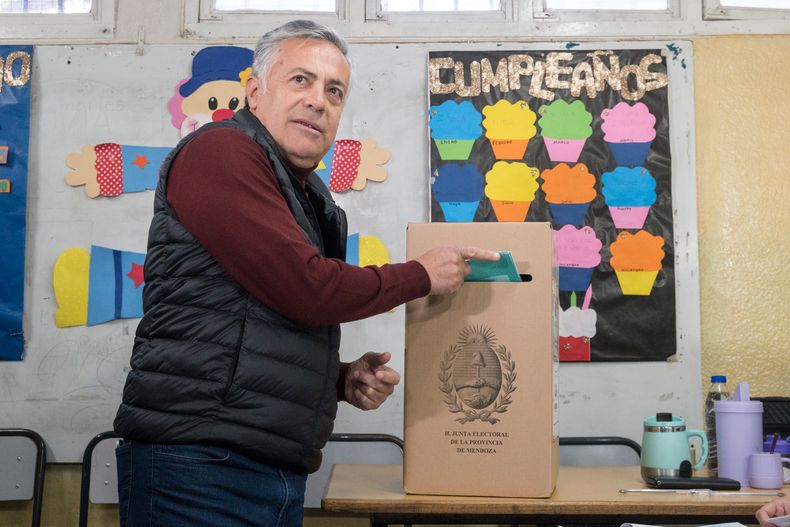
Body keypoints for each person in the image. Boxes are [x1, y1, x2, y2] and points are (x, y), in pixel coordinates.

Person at [113, 19, 499, 527]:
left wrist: (335, 381)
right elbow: (307, 288)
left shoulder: (300, 191)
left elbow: (254, 320)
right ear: (254, 92)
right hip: (200, 467)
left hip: (263, 466)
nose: (319, 100)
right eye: (301, 80)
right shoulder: (221, 152)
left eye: (334, 91)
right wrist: (420, 276)